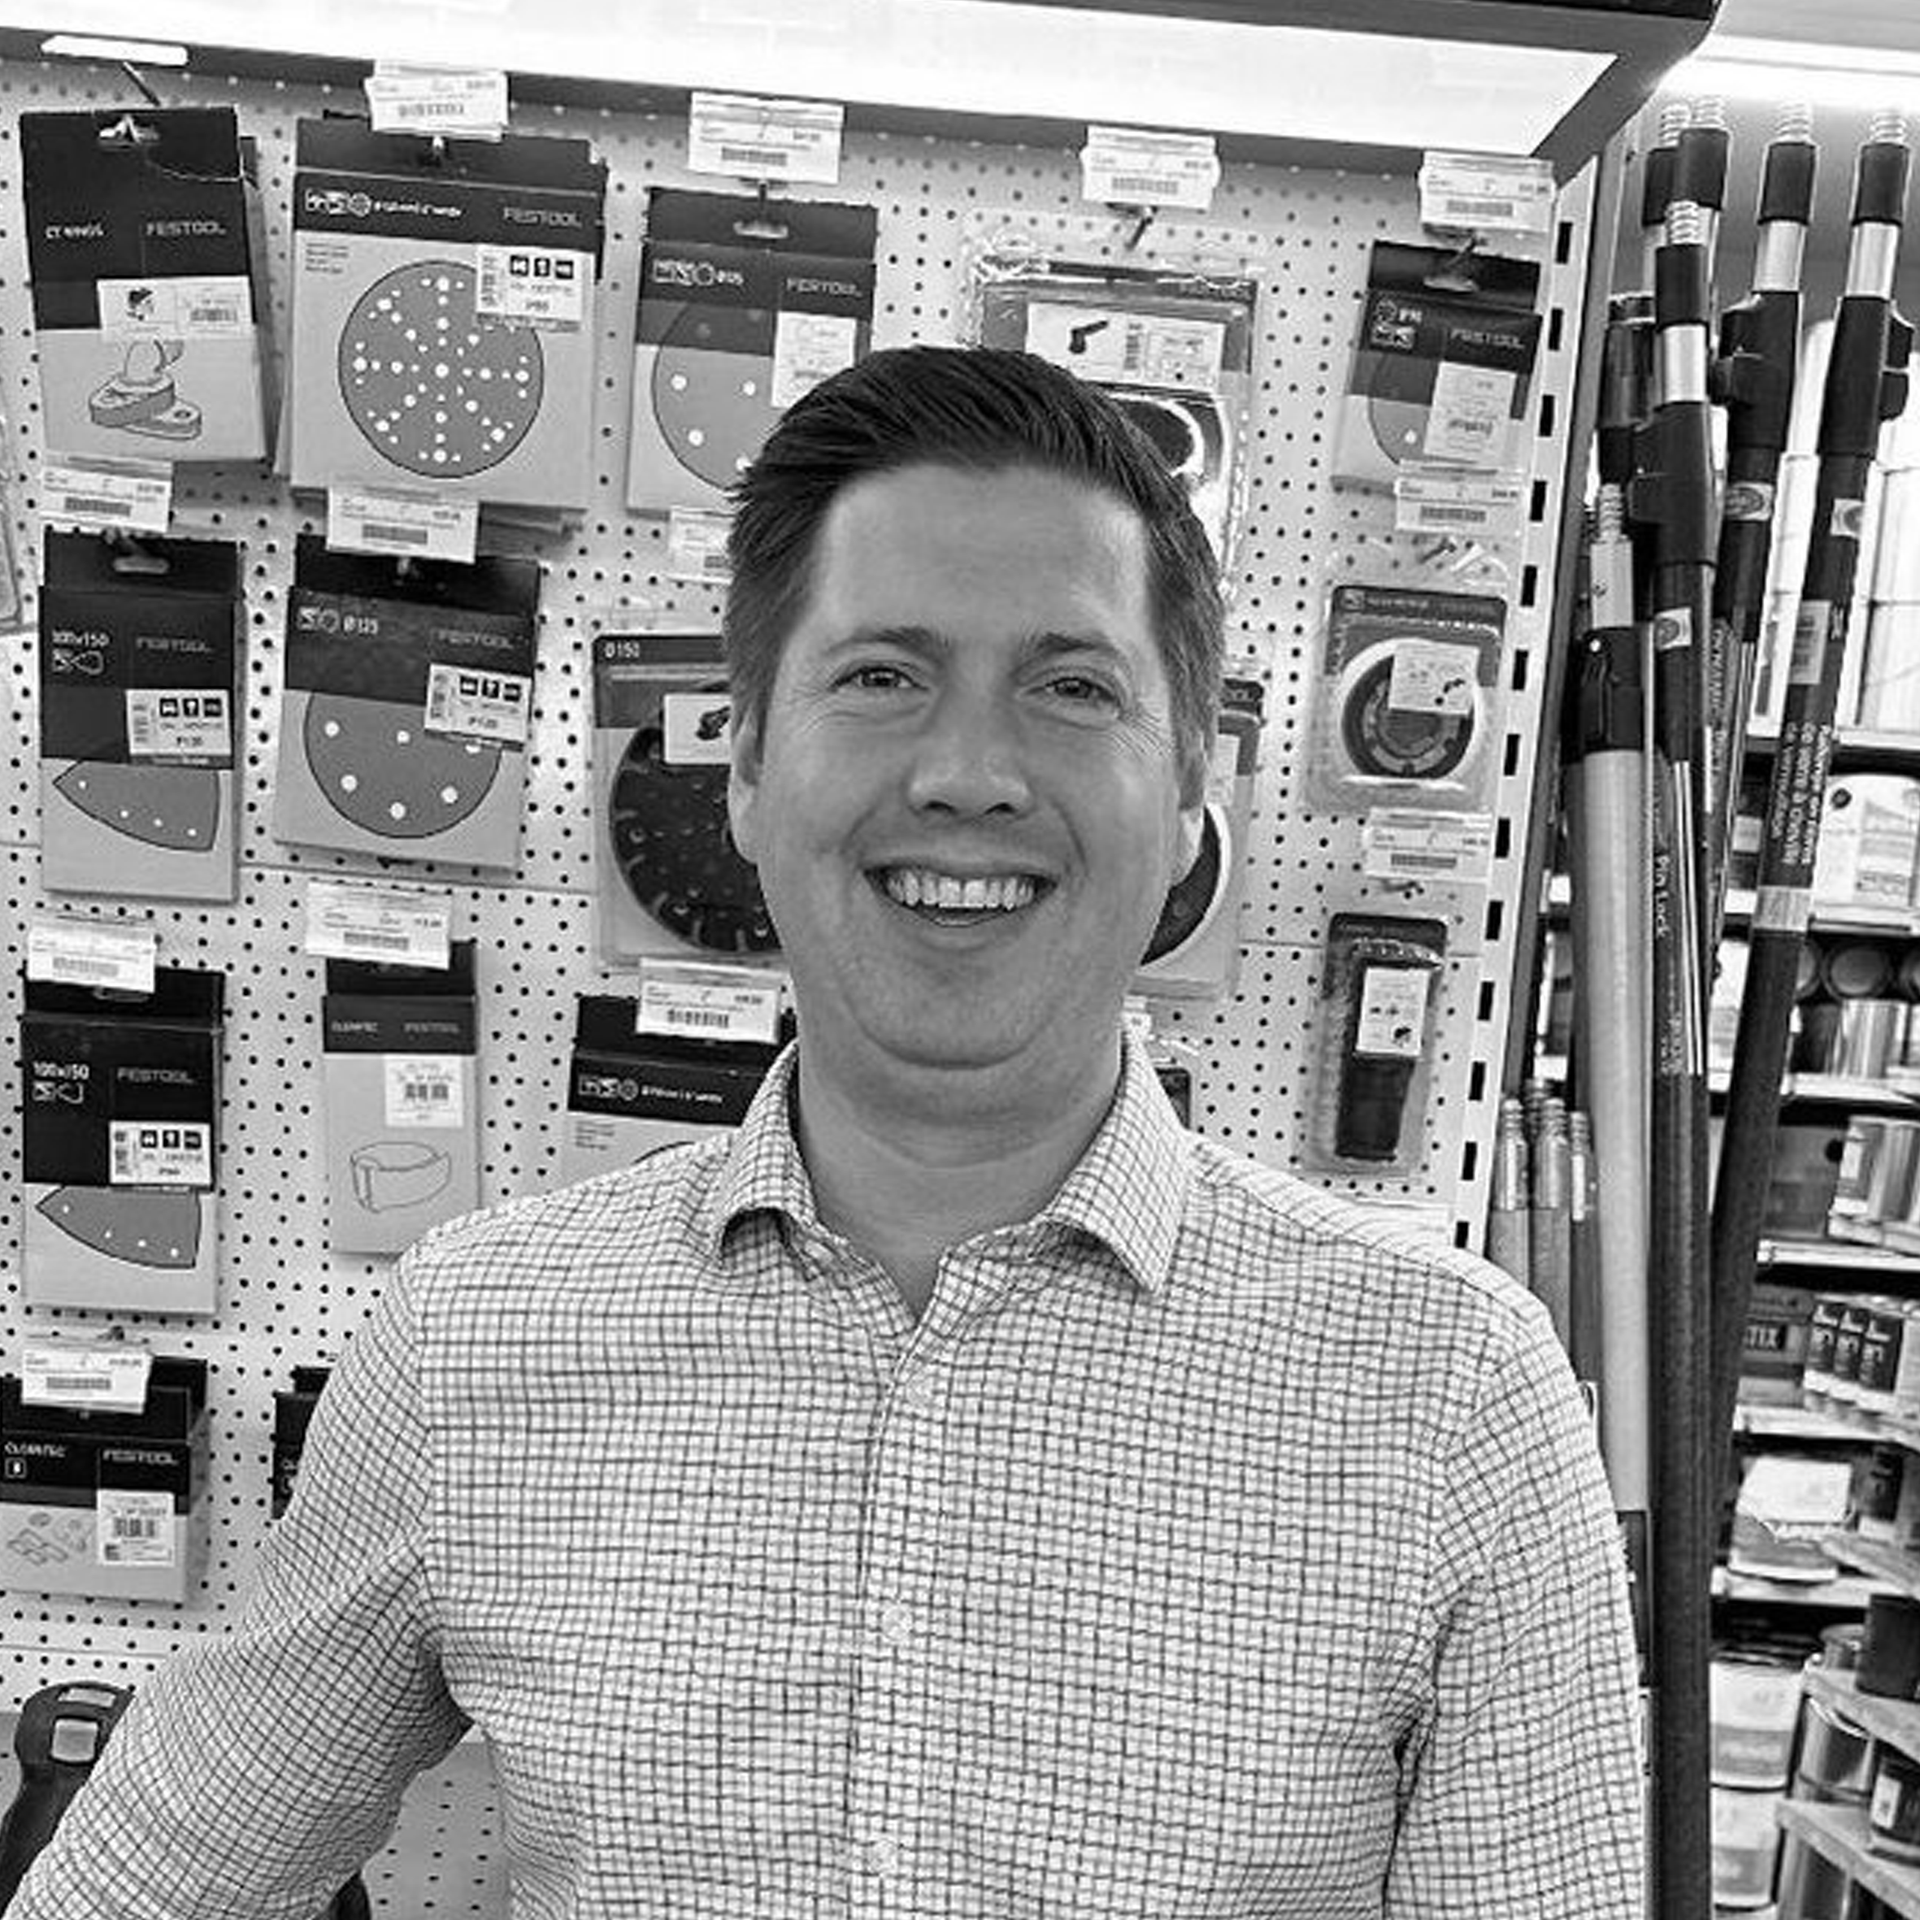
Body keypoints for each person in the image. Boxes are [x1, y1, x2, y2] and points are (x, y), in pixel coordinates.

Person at [14, 345, 1643, 1917]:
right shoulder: (474, 1341)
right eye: (881, 678)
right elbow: (162, 1869)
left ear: (1192, 789)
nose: (968, 773)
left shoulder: (1450, 1391)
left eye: (1073, 687)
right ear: (743, 764)